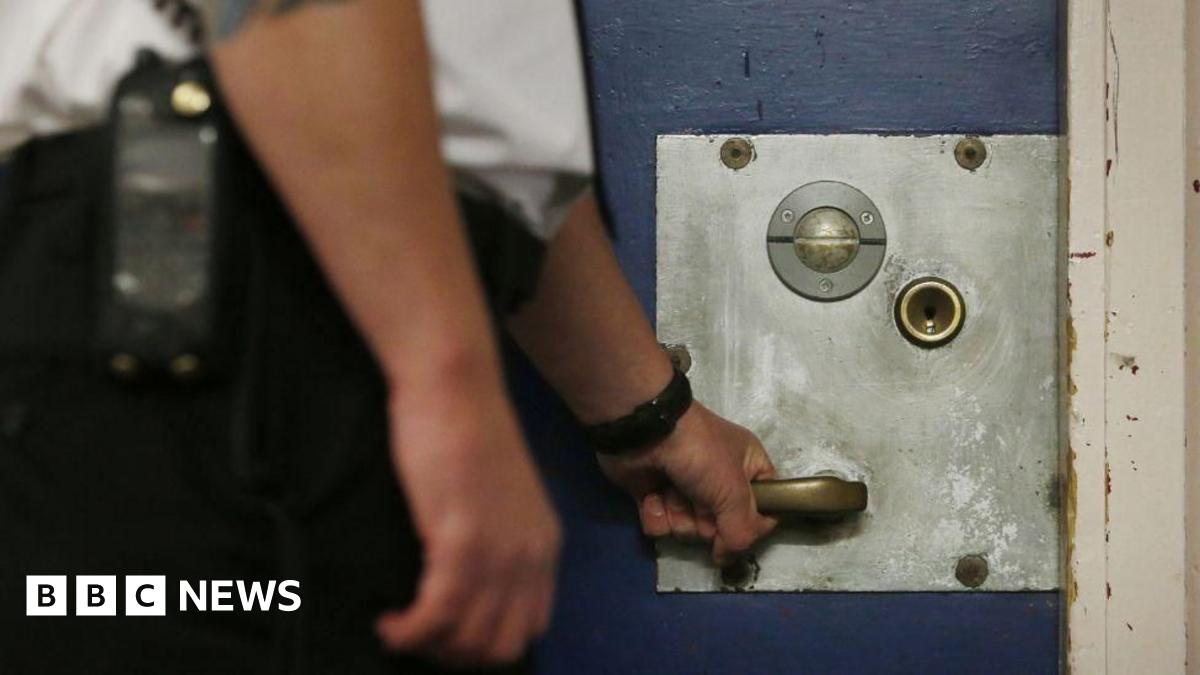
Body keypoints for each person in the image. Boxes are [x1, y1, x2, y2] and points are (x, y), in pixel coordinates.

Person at [0, 0, 778, 671]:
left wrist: (644, 413)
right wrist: (445, 378)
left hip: (274, 318)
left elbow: (475, 129)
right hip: (222, 328)